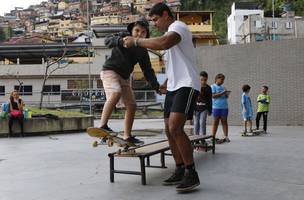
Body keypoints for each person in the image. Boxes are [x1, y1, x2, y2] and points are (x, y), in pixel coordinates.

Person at [123, 3, 201, 192]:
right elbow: (177, 62)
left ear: (166, 14)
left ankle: (191, 173)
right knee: (168, 129)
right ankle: (180, 168)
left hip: (187, 84)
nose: (154, 24)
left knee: (175, 127)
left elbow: (164, 42)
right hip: (174, 86)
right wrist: (166, 81)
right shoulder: (170, 35)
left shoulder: (177, 27)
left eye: (156, 19)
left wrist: (136, 41)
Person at [99, 18, 160, 144]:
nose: (139, 34)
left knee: (132, 105)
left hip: (124, 77)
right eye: (137, 30)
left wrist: (156, 86)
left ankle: (127, 136)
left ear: (146, 35)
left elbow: (147, 70)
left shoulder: (143, 50)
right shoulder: (124, 37)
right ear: (131, 31)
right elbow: (107, 40)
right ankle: (102, 126)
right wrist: (120, 41)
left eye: (143, 32)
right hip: (110, 71)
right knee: (116, 92)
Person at [211, 73, 230, 143]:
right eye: (221, 79)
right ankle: (213, 137)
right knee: (215, 122)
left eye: (223, 80)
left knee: (224, 122)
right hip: (216, 107)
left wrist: (226, 94)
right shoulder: (213, 86)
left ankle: (226, 136)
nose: (222, 81)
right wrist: (222, 93)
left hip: (224, 107)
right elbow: (213, 96)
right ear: (216, 79)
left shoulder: (223, 87)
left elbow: (226, 96)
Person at [194, 71, 212, 136]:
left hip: (204, 108)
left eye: (205, 80)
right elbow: (192, 98)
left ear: (207, 79)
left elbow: (210, 99)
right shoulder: (195, 87)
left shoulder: (208, 88)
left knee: (202, 122)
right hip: (196, 108)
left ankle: (203, 138)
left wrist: (210, 110)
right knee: (196, 123)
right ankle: (196, 138)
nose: (203, 81)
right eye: (201, 80)